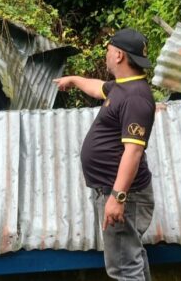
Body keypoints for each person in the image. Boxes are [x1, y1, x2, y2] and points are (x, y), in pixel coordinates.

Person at [53, 28, 156, 281]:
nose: (106, 55)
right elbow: (99, 87)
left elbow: (133, 151)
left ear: (119, 55)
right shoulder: (122, 87)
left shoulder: (136, 98)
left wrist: (118, 197)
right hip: (117, 192)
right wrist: (75, 80)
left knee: (124, 268)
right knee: (131, 258)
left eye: (109, 50)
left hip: (124, 195)